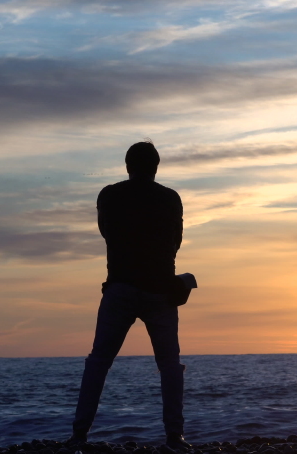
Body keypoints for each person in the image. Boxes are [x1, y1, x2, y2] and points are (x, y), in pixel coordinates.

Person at [68, 140, 191, 449]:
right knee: (169, 365)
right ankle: (175, 436)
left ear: (127, 166)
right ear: (156, 167)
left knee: (98, 362)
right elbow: (176, 241)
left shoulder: (109, 195)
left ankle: (79, 435)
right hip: (160, 289)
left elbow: (106, 232)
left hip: (120, 286)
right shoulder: (171, 199)